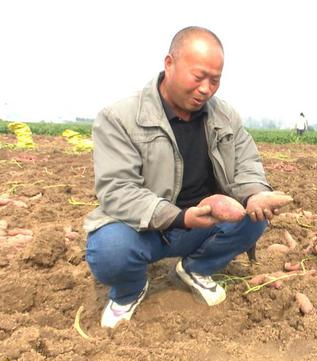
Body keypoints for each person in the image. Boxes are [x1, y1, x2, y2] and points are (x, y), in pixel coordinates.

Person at [84, 26, 288, 328]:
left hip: (204, 224)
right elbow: (118, 190)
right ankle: (129, 291)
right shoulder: (120, 118)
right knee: (109, 249)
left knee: (254, 218)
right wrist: (180, 217)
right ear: (169, 63)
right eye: (198, 76)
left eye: (215, 80)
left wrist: (255, 193)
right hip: (145, 229)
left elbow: (246, 162)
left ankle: (196, 268)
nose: (206, 88)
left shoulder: (225, 116)